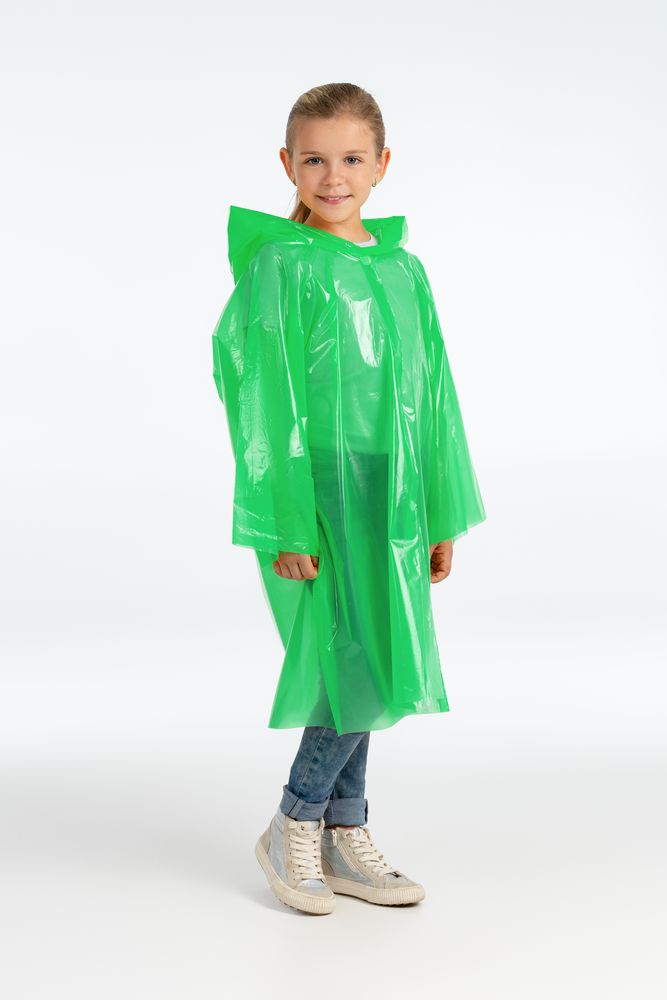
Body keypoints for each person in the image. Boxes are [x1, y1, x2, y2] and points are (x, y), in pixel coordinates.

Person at [211, 83, 487, 915]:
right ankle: (296, 819)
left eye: (351, 158)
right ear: (287, 164)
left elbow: (433, 392)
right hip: (320, 482)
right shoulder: (282, 264)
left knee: (377, 650)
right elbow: (263, 395)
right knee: (346, 652)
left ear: (381, 164)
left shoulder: (402, 269)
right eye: (315, 159)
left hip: (391, 482)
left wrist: (437, 506)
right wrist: (286, 514)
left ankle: (342, 828)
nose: (333, 176)